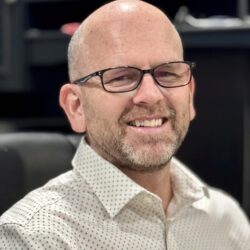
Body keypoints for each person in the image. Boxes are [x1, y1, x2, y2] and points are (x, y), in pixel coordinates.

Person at [0, 0, 249, 249]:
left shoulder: (224, 220)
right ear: (76, 107)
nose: (151, 95)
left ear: (190, 94)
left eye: (168, 73)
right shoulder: (33, 238)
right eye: (121, 77)